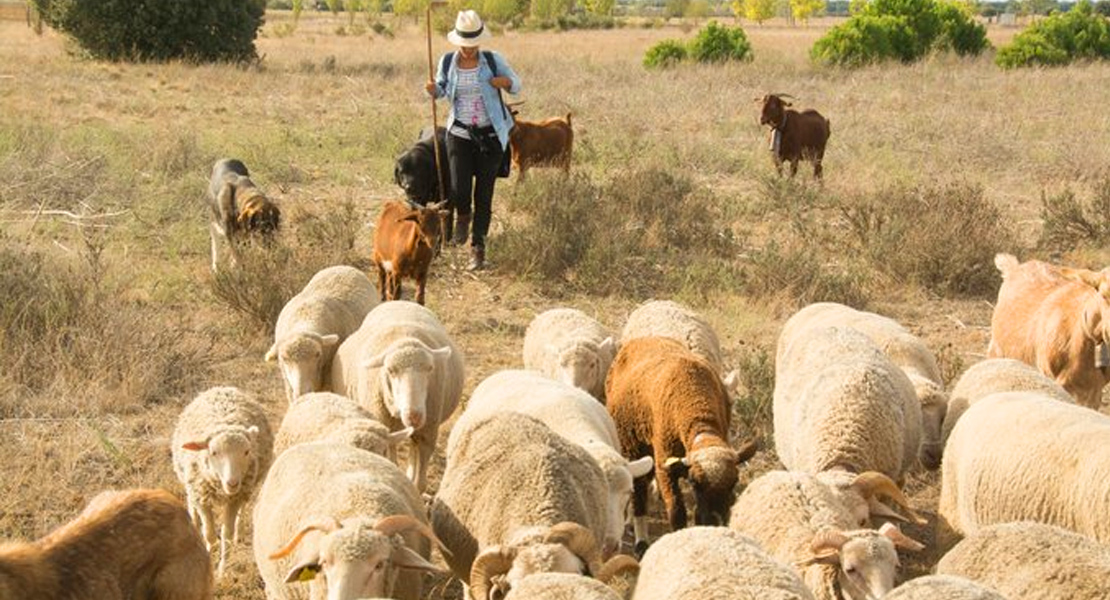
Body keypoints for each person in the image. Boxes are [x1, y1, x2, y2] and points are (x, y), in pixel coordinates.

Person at [425, 10, 521, 271]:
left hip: (489, 137)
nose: (467, 51)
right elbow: (443, 90)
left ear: (479, 41)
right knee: (459, 189)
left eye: (472, 46)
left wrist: (505, 81)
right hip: (459, 134)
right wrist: (434, 91)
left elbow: (517, 84)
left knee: (484, 194)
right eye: (463, 46)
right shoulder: (447, 62)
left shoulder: (492, 60)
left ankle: (478, 248)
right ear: (457, 42)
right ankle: (462, 219)